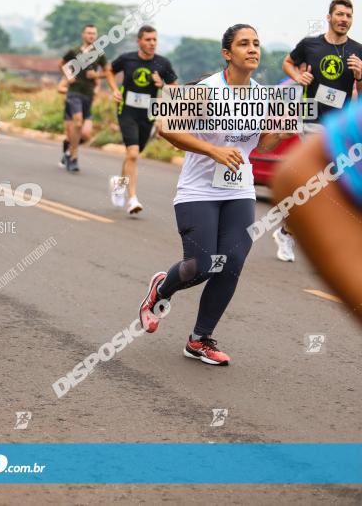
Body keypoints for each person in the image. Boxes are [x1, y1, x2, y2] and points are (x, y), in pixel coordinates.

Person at [137, 24, 292, 366]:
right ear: (227, 53)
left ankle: (199, 340)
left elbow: (261, 145)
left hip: (239, 188)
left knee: (232, 264)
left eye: (256, 44)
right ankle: (161, 290)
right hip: (197, 190)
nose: (253, 49)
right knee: (202, 265)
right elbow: (165, 127)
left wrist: (277, 134)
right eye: (244, 44)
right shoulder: (205, 90)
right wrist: (212, 151)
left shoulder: (263, 96)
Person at [274, 0, 362, 261]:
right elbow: (287, 62)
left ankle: (287, 231)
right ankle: (292, 235)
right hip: (311, 120)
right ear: (329, 17)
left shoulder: (358, 51)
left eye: (348, 15)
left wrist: (360, 76)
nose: (344, 19)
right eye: (340, 14)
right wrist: (297, 76)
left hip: (338, 127)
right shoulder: (311, 44)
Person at [272, 102, 362, 320]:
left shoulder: (352, 69)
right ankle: (285, 232)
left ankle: (285, 232)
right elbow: (300, 171)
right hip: (315, 123)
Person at [105, 25, 178, 214]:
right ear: (139, 41)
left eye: (155, 39)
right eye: (148, 40)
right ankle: (133, 199)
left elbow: (175, 89)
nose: (152, 43)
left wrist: (161, 85)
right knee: (133, 154)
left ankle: (118, 185)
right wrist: (114, 89)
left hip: (148, 115)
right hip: (127, 111)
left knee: (132, 157)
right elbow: (109, 70)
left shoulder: (163, 64)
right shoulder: (127, 59)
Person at [58, 24, 116, 171]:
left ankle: (68, 152)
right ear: (83, 34)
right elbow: (61, 64)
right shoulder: (74, 51)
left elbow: (108, 72)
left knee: (86, 133)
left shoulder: (99, 53)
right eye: (89, 33)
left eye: (94, 34)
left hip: (88, 95)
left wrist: (96, 75)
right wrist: (69, 76)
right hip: (74, 93)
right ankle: (74, 158)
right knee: (77, 123)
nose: (91, 36)